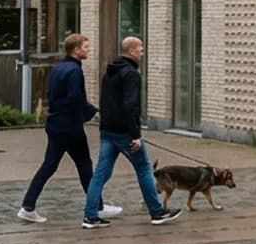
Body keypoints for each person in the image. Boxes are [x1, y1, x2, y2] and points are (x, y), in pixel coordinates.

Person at [81, 36, 179, 227]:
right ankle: (157, 212)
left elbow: (106, 102)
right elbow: (130, 105)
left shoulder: (109, 72)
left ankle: (90, 216)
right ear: (132, 51)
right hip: (125, 133)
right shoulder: (131, 74)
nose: (143, 51)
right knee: (144, 170)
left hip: (107, 130)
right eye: (140, 48)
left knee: (100, 173)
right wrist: (135, 135)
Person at [19, 34, 117, 223]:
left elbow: (56, 95)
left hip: (56, 124)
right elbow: (74, 98)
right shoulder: (74, 71)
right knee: (84, 165)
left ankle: (28, 206)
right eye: (86, 47)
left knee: (50, 166)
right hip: (69, 127)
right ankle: (97, 206)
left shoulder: (59, 68)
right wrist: (91, 112)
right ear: (76, 50)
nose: (88, 49)